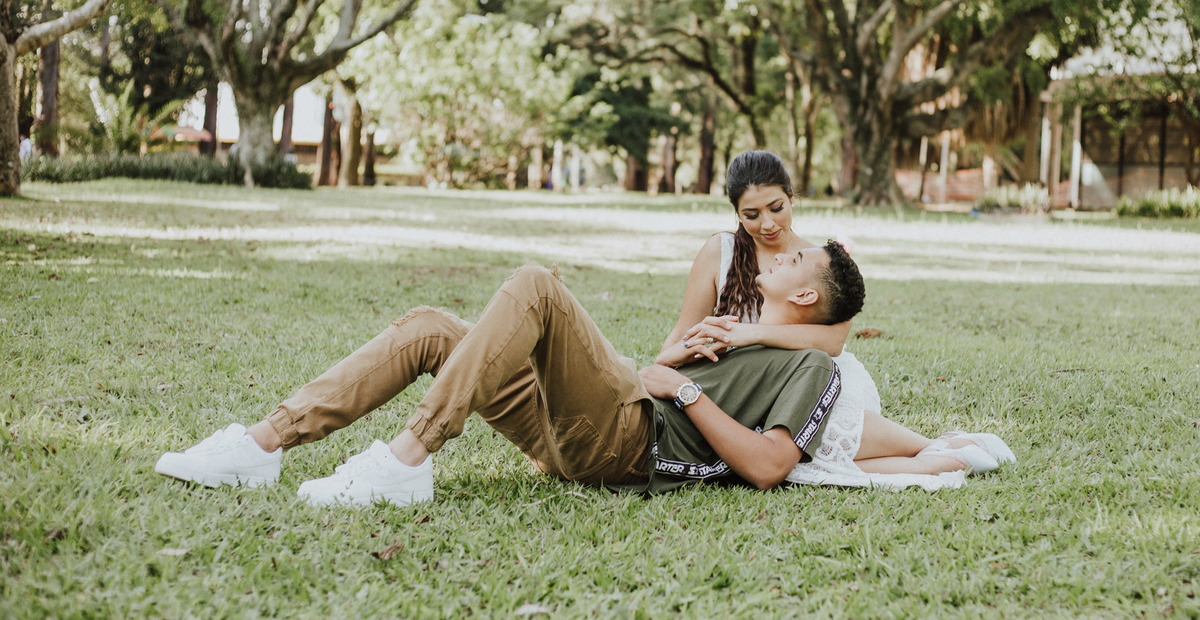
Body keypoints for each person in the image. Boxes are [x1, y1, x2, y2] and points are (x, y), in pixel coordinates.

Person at [156, 240, 1008, 506]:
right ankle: (264, 444)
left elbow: (769, 466)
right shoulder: (741, 329)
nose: (773, 250)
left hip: (629, 442)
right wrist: (671, 362)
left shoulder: (819, 372)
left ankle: (407, 461)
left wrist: (683, 389)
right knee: (428, 331)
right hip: (598, 425)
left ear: (809, 291)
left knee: (535, 285)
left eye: (791, 256)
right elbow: (642, 370)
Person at [658, 151, 1012, 488]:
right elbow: (684, 330)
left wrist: (746, 334)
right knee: (803, 466)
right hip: (747, 390)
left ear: (792, 197)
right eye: (751, 215)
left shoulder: (816, 260)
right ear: (736, 212)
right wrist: (660, 377)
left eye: (776, 208)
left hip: (814, 380)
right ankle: (940, 455)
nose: (767, 224)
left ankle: (937, 448)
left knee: (806, 455)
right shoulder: (721, 252)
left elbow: (833, 342)